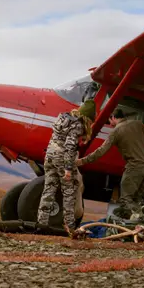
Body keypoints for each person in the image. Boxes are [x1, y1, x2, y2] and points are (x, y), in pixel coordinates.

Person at [76, 108, 144, 220]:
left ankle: (142, 219)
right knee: (137, 200)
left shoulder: (116, 131)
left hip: (134, 167)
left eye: (109, 121)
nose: (110, 124)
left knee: (125, 199)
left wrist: (82, 161)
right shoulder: (138, 124)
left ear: (113, 117)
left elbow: (100, 151)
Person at [37, 99, 96, 234]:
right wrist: (68, 169)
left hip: (50, 155)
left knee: (48, 190)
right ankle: (71, 228)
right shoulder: (77, 125)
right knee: (69, 193)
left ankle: (41, 225)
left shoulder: (62, 118)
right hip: (62, 159)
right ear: (87, 117)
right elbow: (70, 147)